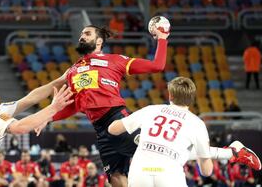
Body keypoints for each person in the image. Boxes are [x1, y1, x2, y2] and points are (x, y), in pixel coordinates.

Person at [35, 24, 169, 186]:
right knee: (115, 178)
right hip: (101, 131)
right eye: (81, 34)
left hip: (119, 119)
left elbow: (157, 66)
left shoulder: (115, 60)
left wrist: (162, 39)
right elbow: (75, 104)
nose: (81, 36)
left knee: (154, 161)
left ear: (99, 41)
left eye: (87, 33)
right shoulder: (74, 70)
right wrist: (48, 118)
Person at [108, 77, 261, 186]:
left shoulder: (151, 110)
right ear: (192, 98)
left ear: (170, 95)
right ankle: (232, 152)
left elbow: (112, 129)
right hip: (169, 173)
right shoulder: (197, 123)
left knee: (181, 150)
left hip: (139, 171)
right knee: (182, 150)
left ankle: (232, 152)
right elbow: (206, 171)